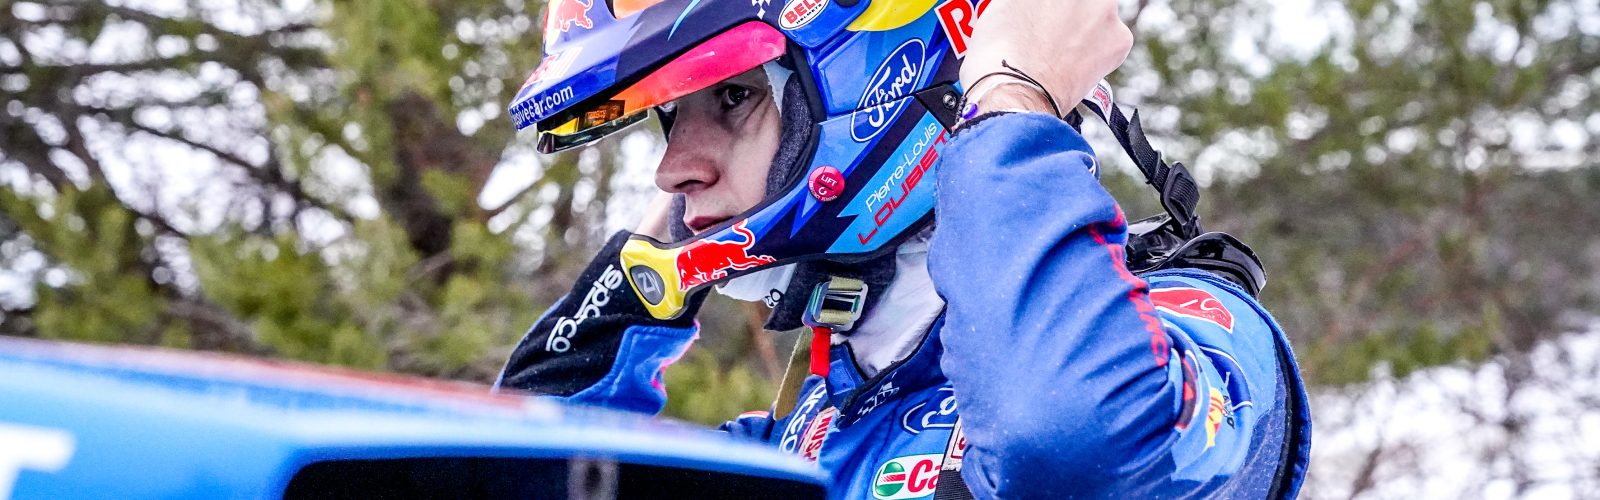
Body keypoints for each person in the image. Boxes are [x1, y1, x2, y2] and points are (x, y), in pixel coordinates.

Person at [498, 0, 1311, 497]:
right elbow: (523, 476)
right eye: (672, 117)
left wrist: (1010, 99)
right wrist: (648, 271)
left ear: (880, 77)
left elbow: (1079, 449)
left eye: (735, 96)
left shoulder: (1189, 334)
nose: (670, 168)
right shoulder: (810, 436)